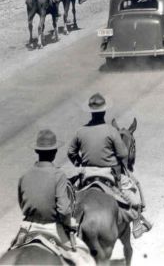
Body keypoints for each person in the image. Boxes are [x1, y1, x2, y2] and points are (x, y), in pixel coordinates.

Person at [68, 94, 153, 237]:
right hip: (108, 174)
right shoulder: (111, 131)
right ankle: (137, 226)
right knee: (135, 196)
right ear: (104, 112)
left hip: (87, 175)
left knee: (72, 196)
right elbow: (123, 154)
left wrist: (80, 163)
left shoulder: (80, 131)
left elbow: (71, 153)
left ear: (90, 112)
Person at [10, 130, 93, 266]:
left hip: (28, 228)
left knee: (2, 257)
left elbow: (22, 204)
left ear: (37, 151)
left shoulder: (24, 177)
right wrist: (68, 223)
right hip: (53, 228)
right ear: (54, 152)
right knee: (85, 261)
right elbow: (65, 210)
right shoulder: (58, 176)